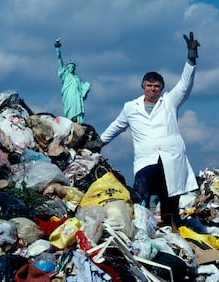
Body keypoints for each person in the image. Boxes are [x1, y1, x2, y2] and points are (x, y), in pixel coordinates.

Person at [100, 32, 200, 227]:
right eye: (149, 85)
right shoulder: (131, 107)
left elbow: (185, 84)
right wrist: (98, 142)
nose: (153, 89)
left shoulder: (169, 102)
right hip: (147, 159)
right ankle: (140, 226)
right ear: (143, 86)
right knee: (141, 193)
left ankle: (172, 230)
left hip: (170, 158)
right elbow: (116, 126)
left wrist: (191, 58)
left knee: (169, 199)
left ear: (162, 88)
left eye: (157, 86)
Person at [55, 38, 91, 124]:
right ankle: (69, 121)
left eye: (73, 67)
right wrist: (57, 48)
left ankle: (78, 122)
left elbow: (83, 88)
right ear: (67, 68)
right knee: (69, 109)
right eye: (70, 67)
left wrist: (87, 87)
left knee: (77, 109)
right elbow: (59, 59)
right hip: (68, 95)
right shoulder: (65, 75)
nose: (71, 68)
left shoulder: (77, 78)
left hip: (76, 97)